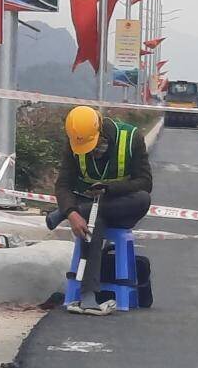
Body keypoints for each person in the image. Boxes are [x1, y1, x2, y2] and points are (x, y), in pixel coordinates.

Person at [44, 106, 152, 316]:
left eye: (92, 145)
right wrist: (73, 214)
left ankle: (66, 212)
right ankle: (88, 295)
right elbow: (63, 184)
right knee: (95, 221)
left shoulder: (131, 138)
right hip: (88, 210)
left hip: (122, 206)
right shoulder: (75, 142)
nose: (90, 151)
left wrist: (109, 189)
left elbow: (145, 183)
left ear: (101, 130)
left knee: (142, 199)